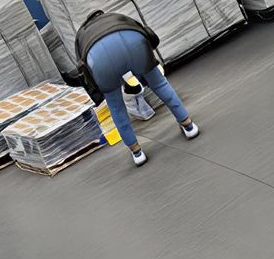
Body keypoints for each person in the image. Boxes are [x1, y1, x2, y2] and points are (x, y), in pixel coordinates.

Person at [73, 10, 198, 166]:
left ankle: (136, 152)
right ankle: (188, 125)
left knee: (116, 107)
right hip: (133, 41)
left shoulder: (81, 36)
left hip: (99, 59)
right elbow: (148, 33)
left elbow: (83, 69)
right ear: (101, 15)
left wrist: (102, 89)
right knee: (159, 84)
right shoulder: (116, 16)